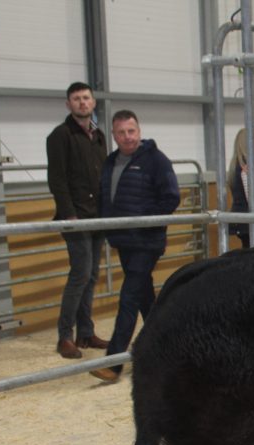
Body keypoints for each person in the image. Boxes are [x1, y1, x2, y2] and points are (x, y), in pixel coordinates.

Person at [89, 111, 180, 383]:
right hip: (123, 240)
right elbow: (107, 198)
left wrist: (147, 222)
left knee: (128, 297)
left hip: (146, 241)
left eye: (131, 131)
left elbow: (171, 196)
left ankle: (114, 362)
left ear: (139, 131)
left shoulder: (156, 160)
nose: (127, 137)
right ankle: (168, 351)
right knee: (144, 300)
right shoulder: (110, 162)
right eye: (121, 132)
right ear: (114, 135)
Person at [46, 82, 109, 359]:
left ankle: (86, 332)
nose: (82, 103)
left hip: (97, 216)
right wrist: (69, 214)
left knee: (91, 275)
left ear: (93, 102)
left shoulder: (98, 136)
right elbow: (57, 179)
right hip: (75, 217)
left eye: (86, 98)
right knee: (80, 273)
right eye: (76, 99)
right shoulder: (59, 136)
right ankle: (64, 336)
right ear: (68, 104)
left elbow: (103, 175)